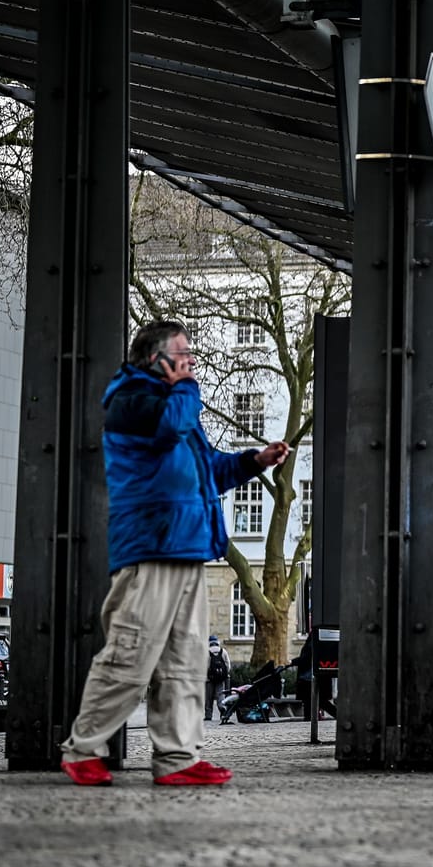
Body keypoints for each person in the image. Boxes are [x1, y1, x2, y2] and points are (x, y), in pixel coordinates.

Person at [59, 320, 288, 786]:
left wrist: (252, 461)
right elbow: (168, 429)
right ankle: (84, 748)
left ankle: (177, 757)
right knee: (131, 652)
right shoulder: (131, 401)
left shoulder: (175, 408)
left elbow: (210, 472)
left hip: (186, 548)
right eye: (182, 354)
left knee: (186, 661)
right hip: (151, 545)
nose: (191, 361)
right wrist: (187, 387)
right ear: (154, 358)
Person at [204, 635, 230, 722]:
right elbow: (228, 665)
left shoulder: (206, 651)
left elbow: (204, 665)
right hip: (221, 678)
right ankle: (222, 709)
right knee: (220, 695)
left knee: (209, 697)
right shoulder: (223, 651)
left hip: (209, 679)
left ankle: (208, 715)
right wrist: (224, 674)